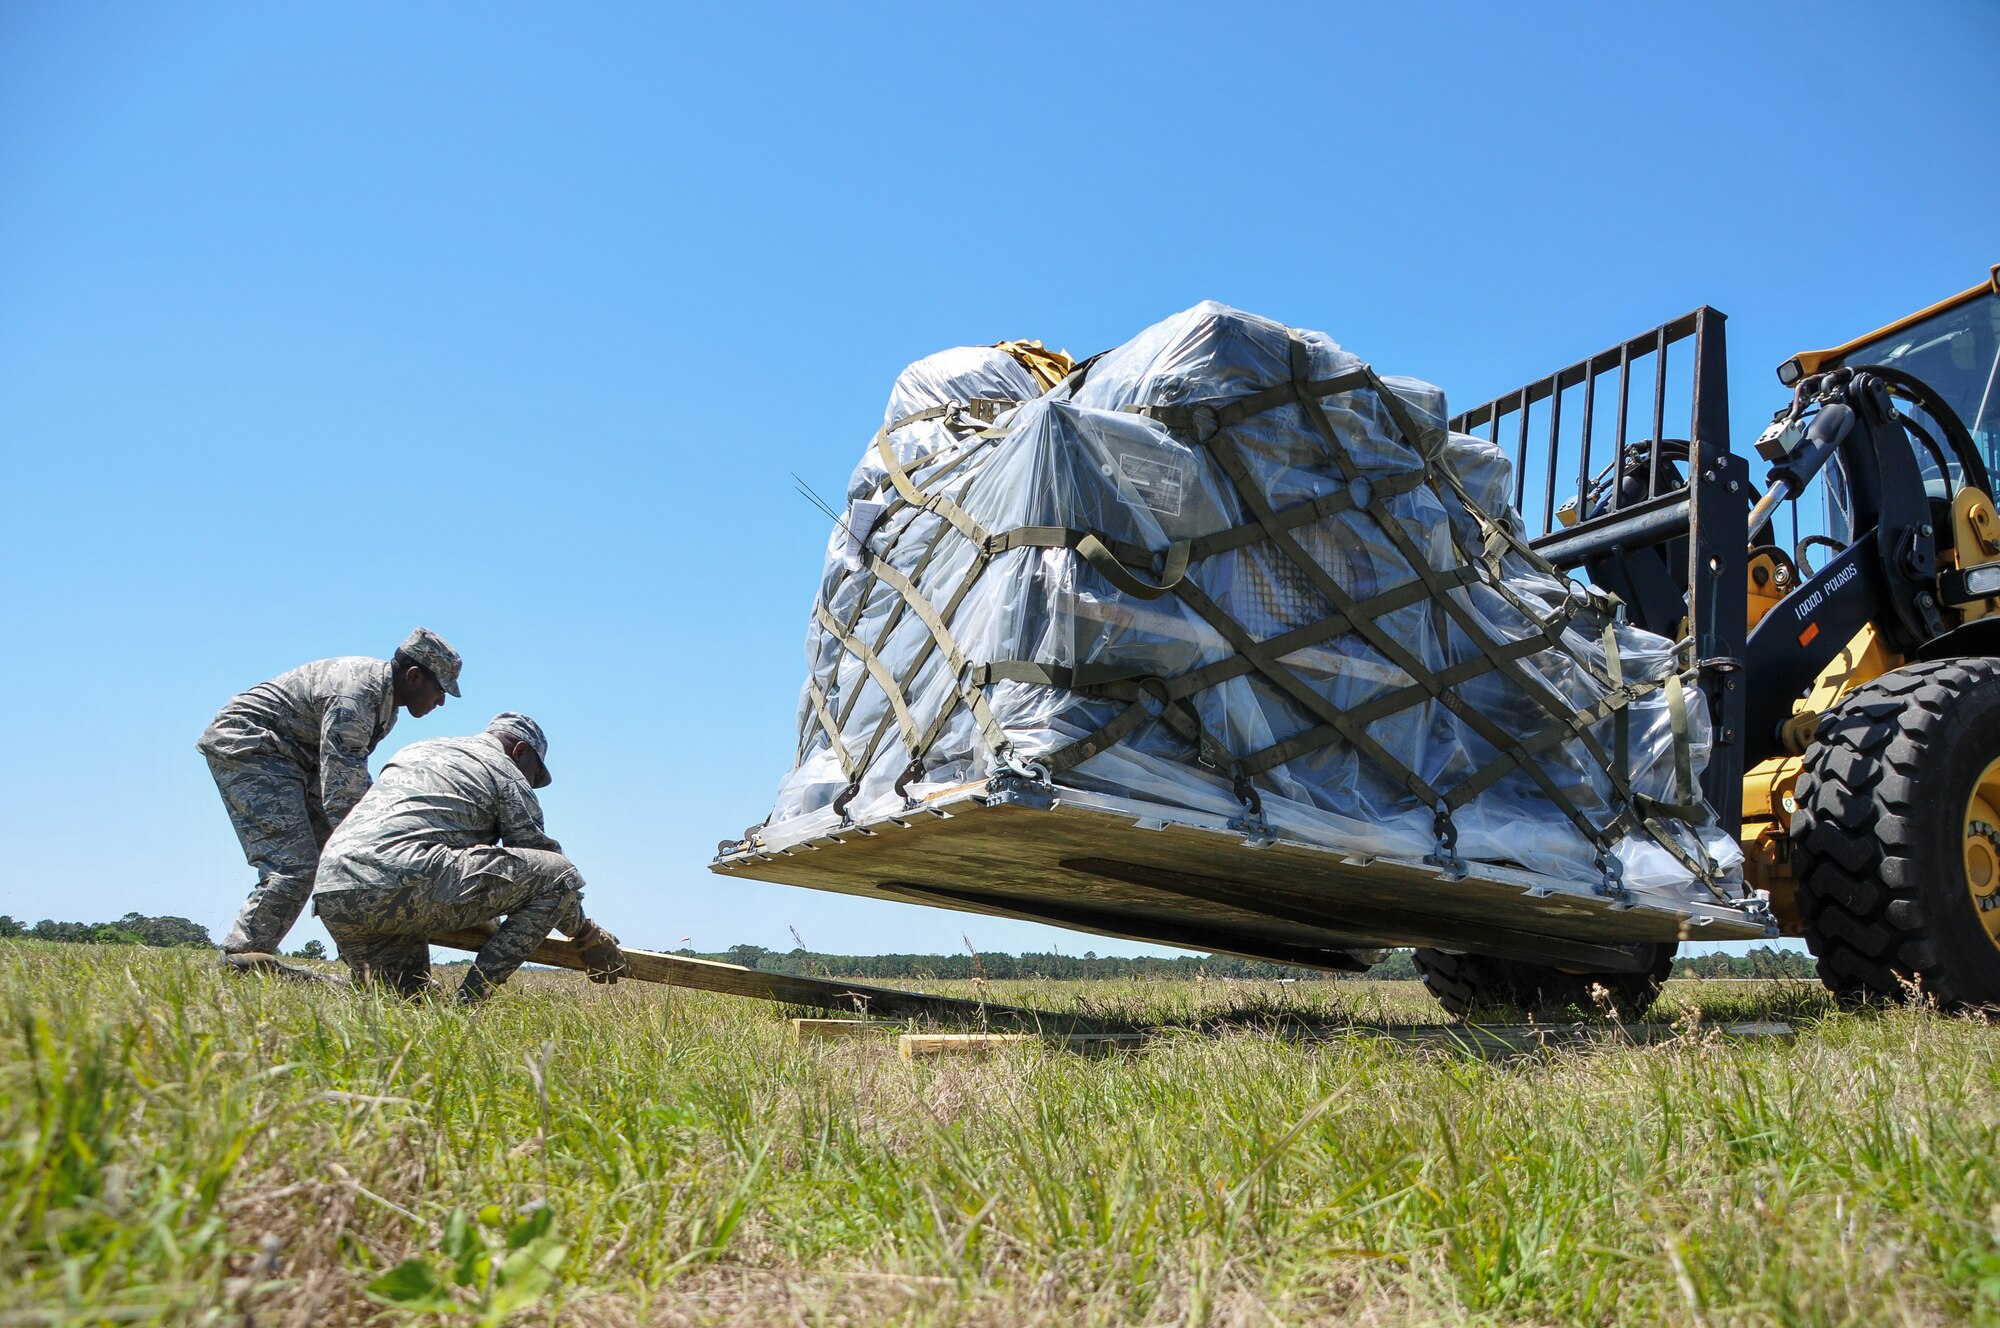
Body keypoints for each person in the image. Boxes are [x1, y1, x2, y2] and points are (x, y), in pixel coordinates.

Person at [310, 712, 626, 1004]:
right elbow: (549, 876)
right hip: (398, 880)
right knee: (560, 871)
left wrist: (485, 915)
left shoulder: (417, 750)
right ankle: (468, 1007)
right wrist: (585, 935)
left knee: (407, 1000)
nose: (530, 784)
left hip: (333, 888)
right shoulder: (503, 770)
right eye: (533, 774)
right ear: (519, 752)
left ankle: (295, 978)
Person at [199, 628, 463, 958]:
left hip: (294, 760)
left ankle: (375, 967)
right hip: (253, 746)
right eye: (440, 690)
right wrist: (392, 850)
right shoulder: (356, 698)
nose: (440, 701)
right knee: (296, 867)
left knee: (340, 867)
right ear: (414, 676)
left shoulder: (384, 706)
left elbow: (350, 782)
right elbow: (343, 797)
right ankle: (242, 957)